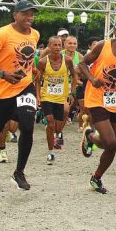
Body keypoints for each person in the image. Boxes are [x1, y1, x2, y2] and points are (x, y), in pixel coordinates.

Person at [0, 0, 40, 190]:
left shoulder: (35, 34)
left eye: (32, 14)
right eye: (25, 13)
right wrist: (3, 74)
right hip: (1, 91)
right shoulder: (2, 34)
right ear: (15, 15)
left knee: (28, 127)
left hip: (24, 87)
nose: (29, 17)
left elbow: (27, 60)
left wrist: (32, 70)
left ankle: (19, 172)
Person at [78, 15, 116, 194]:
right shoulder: (103, 46)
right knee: (111, 143)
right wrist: (91, 78)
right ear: (115, 31)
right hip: (97, 98)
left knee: (109, 144)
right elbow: (82, 63)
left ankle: (90, 138)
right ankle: (97, 178)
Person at [36, 35, 77, 165]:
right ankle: (50, 152)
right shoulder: (43, 62)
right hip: (47, 96)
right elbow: (37, 80)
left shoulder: (68, 60)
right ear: (49, 46)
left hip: (61, 97)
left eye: (59, 45)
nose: (58, 47)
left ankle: (57, 135)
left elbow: (75, 77)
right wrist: (38, 96)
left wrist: (71, 93)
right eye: (55, 45)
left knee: (58, 126)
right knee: (50, 122)